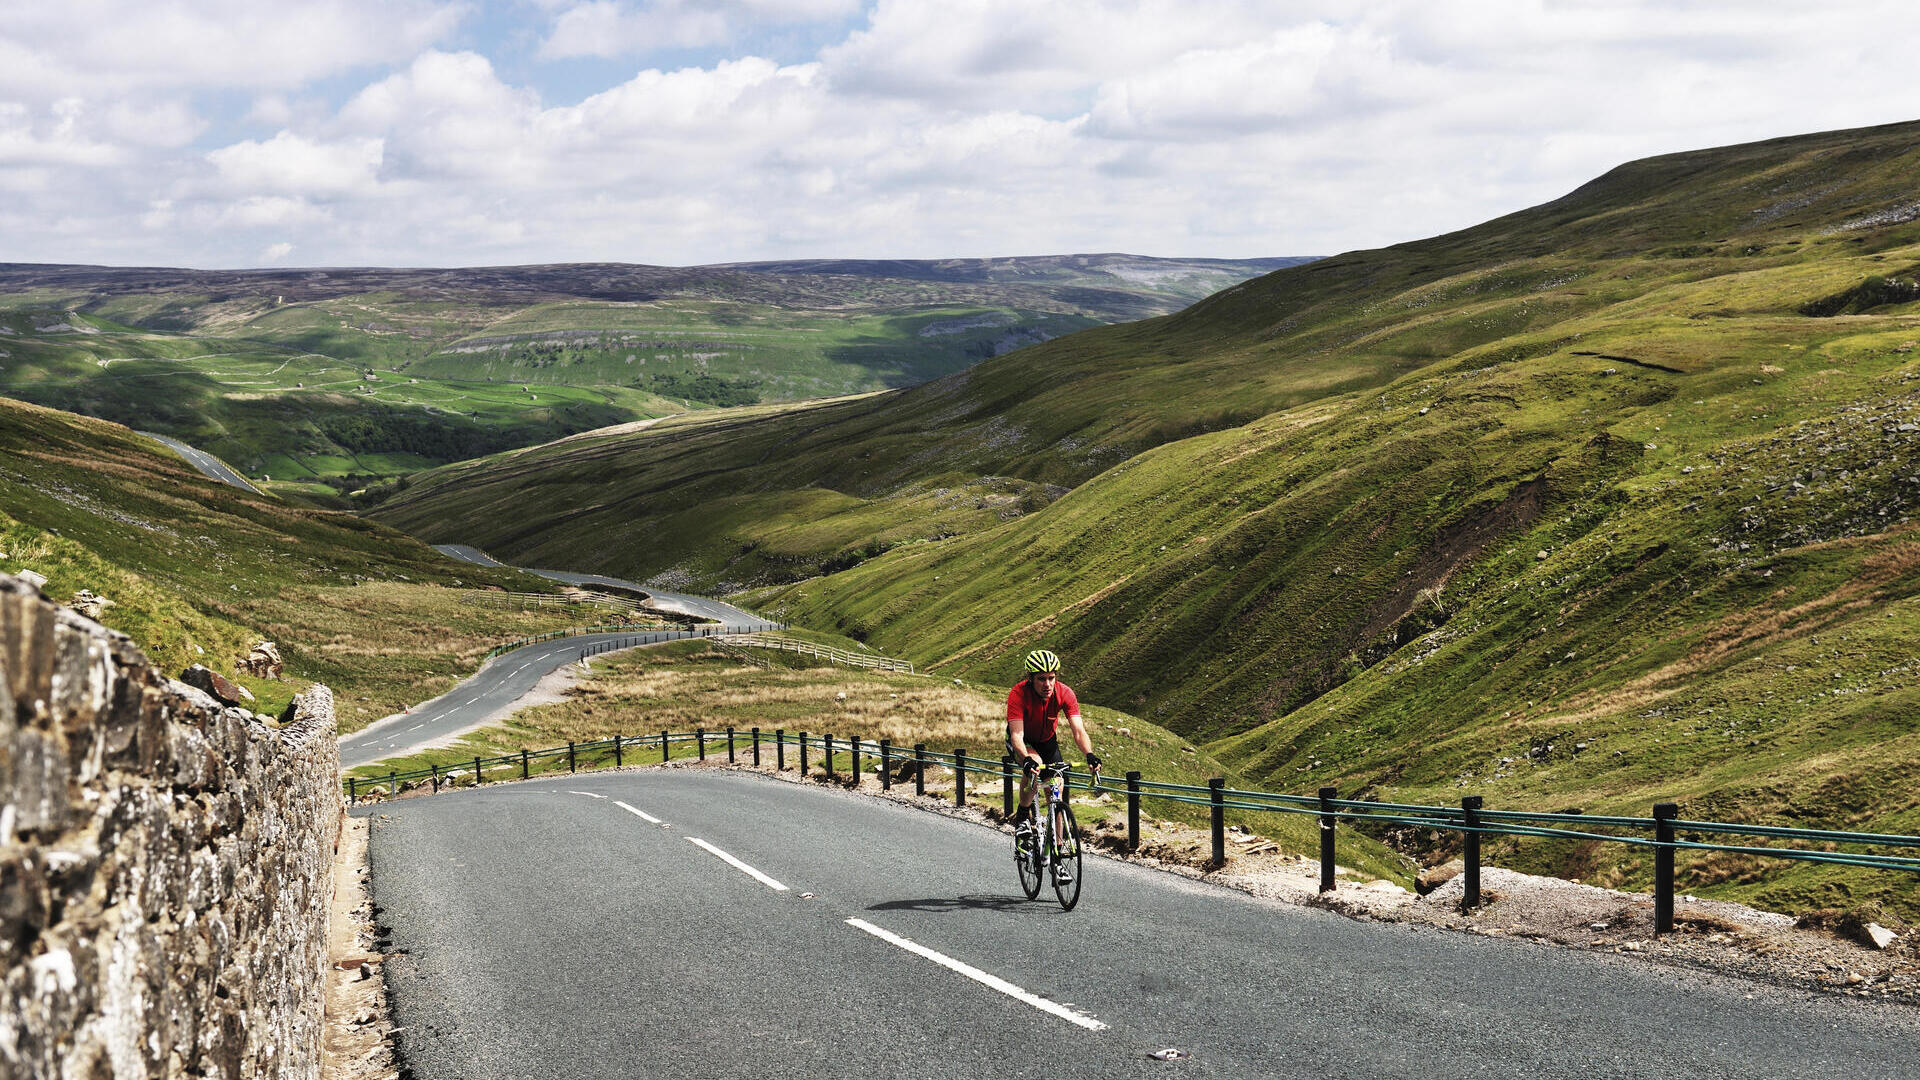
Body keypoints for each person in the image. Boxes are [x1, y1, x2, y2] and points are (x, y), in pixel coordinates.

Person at [1006, 649, 1100, 842]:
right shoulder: (1018, 693)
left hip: (1048, 742)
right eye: (1041, 679)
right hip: (1024, 742)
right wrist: (1026, 760)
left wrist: (1089, 754)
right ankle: (1023, 815)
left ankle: (1056, 849)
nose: (1047, 684)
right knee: (1035, 764)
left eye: (1051, 678)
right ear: (1030, 678)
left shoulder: (1065, 693)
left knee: (1055, 791)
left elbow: (1079, 731)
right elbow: (1016, 735)